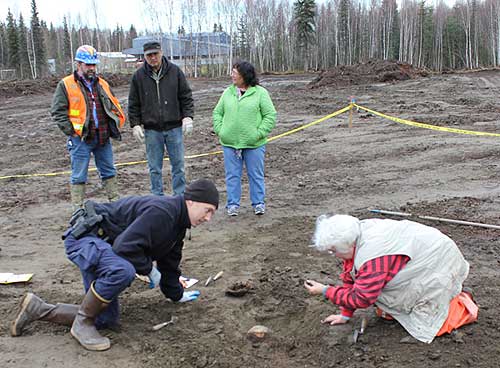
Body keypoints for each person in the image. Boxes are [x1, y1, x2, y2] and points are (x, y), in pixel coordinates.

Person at [10, 179, 219, 351]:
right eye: (207, 210)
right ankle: (82, 325)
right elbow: (124, 247)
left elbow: (170, 264)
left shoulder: (178, 226)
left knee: (105, 318)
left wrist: (176, 294)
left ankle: (38, 309)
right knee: (123, 270)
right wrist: (148, 270)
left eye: (212, 213)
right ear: (191, 201)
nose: (208, 218)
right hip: (86, 238)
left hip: (102, 247)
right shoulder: (164, 212)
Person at [304, 214, 478, 343]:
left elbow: (362, 298)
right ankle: (441, 299)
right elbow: (352, 278)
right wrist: (345, 314)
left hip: (437, 261)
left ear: (347, 244)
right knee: (387, 309)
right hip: (420, 255)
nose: (332, 254)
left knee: (429, 325)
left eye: (333, 250)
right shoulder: (355, 236)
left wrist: (325, 290)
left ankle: (463, 305)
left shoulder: (373, 256)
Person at [51, 45, 126, 210]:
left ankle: (116, 205)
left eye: (93, 65)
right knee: (79, 176)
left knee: (109, 171)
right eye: (88, 65)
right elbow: (57, 112)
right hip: (81, 139)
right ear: (78, 64)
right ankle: (77, 210)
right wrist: (71, 132)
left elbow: (112, 105)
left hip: (103, 137)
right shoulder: (66, 85)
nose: (92, 68)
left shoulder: (102, 84)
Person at [128, 41, 194, 196]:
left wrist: (188, 117)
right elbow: (133, 103)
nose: (152, 58)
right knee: (154, 168)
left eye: (155, 54)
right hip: (152, 130)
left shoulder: (175, 72)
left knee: (178, 166)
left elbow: (186, 97)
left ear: (161, 53)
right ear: (144, 56)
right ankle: (157, 200)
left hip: (174, 128)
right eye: (149, 55)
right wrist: (135, 124)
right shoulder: (138, 77)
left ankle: (179, 198)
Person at [213, 61, 277, 216]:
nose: (232, 75)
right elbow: (217, 113)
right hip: (230, 144)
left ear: (244, 75)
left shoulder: (260, 93)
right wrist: (221, 131)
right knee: (232, 175)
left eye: (235, 72)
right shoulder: (228, 92)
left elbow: (270, 115)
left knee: (255, 174)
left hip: (254, 144)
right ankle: (233, 205)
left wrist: (258, 133)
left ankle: (258, 203)